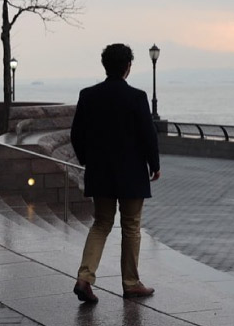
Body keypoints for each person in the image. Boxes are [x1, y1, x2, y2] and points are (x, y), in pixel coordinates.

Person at [71, 43, 161, 303]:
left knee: (101, 223)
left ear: (105, 66)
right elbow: (148, 135)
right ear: (128, 67)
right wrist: (154, 164)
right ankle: (131, 283)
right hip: (131, 174)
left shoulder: (88, 95)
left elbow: (77, 134)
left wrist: (89, 160)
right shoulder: (136, 97)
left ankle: (84, 278)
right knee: (131, 226)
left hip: (100, 173)